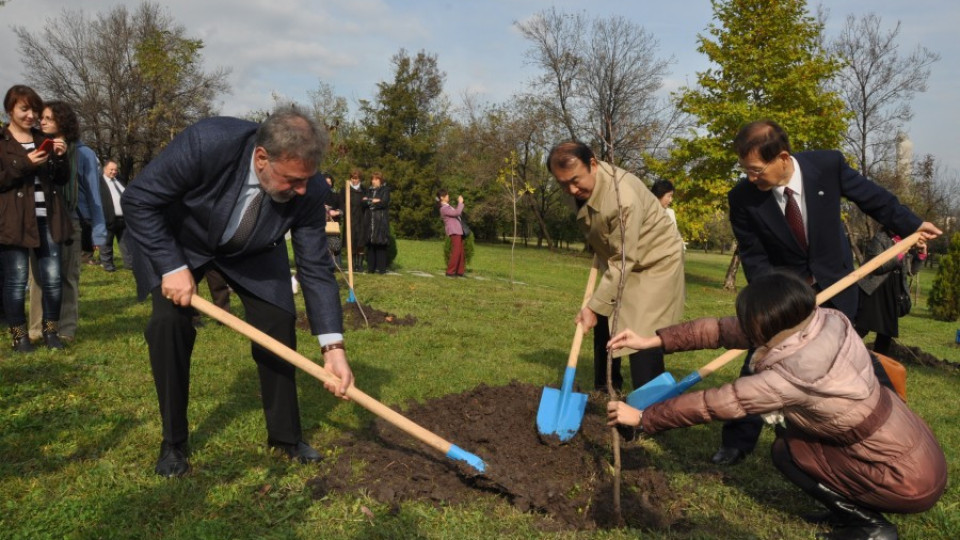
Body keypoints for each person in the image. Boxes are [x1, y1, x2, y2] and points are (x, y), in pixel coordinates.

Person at [606, 271, 947, 540]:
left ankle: (872, 527)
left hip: (906, 479)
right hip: (918, 449)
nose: (742, 327)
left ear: (766, 325)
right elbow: (722, 330)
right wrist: (653, 340)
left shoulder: (791, 377)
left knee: (788, 452)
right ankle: (847, 508)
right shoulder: (826, 320)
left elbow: (716, 403)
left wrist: (644, 417)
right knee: (792, 427)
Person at [120, 105, 354, 478]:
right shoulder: (209, 142)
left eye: (306, 180)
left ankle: (285, 438)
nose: (302, 190)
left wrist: (333, 348)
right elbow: (138, 198)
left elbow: (315, 269)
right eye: (292, 180)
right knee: (169, 323)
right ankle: (174, 442)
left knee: (278, 319)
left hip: (254, 251)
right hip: (181, 241)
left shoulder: (308, 188)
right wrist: (171, 265)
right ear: (262, 157)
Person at [716, 119, 942, 466]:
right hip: (787, 292)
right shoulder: (743, 198)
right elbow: (753, 255)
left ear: (783, 158)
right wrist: (771, 299)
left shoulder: (827, 166)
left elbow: (875, 200)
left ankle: (897, 421)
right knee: (759, 361)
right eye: (745, 170)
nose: (750, 178)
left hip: (837, 286)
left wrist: (911, 225)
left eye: (756, 170)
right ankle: (736, 442)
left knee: (850, 358)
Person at [547, 141, 684, 393]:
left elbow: (624, 260)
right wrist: (596, 306)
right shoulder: (581, 189)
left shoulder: (623, 199)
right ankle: (606, 388)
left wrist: (593, 306)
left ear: (593, 164)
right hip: (624, 256)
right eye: (563, 183)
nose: (571, 189)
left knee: (641, 332)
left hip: (655, 262)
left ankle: (649, 409)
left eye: (576, 180)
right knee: (603, 317)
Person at [27, 100, 107, 344]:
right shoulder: (35, 149)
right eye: (43, 118)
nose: (43, 121)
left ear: (63, 121)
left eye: (49, 118)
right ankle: (36, 329)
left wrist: (99, 232)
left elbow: (94, 194)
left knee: (68, 276)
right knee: (37, 277)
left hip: (70, 221)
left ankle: (67, 329)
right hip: (40, 219)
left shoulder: (83, 153)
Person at [0, 85, 73, 352]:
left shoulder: (44, 137)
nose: (31, 115)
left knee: (52, 278)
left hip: (48, 217)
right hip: (14, 221)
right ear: (10, 110)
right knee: (16, 280)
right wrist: (26, 163)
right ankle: (20, 337)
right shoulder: (3, 141)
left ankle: (51, 332)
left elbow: (61, 179)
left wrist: (61, 158)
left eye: (35, 110)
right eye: (24, 109)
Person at [855, 228, 926, 356]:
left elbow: (911, 271)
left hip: (893, 292)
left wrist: (921, 255)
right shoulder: (880, 238)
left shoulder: (907, 241)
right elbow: (878, 267)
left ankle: (879, 367)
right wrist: (900, 252)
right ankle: (843, 356)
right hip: (874, 291)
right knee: (861, 328)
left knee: (885, 334)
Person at [98, 160, 133, 272]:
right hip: (107, 217)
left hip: (123, 218)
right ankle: (108, 266)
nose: (114, 172)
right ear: (104, 170)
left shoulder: (120, 180)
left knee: (126, 243)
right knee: (107, 243)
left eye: (115, 170)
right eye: (111, 170)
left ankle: (130, 264)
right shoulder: (99, 182)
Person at [364, 171, 391, 274]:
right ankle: (371, 268)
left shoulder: (385, 190)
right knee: (371, 245)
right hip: (370, 221)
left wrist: (371, 201)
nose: (374, 181)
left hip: (380, 221)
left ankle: (381, 269)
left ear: (380, 180)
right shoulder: (369, 190)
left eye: (376, 179)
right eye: (372, 179)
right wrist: (373, 200)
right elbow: (364, 202)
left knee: (380, 245)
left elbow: (383, 202)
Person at [437, 189, 466, 277]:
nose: (448, 196)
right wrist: (460, 203)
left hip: (458, 230)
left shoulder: (448, 207)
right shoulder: (444, 208)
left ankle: (459, 271)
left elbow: (457, 213)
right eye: (447, 195)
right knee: (456, 251)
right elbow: (457, 212)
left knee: (461, 251)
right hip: (454, 231)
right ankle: (450, 271)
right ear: (442, 197)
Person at [342, 170, 366, 272]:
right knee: (350, 241)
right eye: (352, 178)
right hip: (350, 219)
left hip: (361, 218)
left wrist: (365, 201)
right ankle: (351, 264)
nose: (354, 180)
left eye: (356, 178)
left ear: (359, 179)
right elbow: (341, 202)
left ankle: (359, 265)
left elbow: (366, 204)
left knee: (360, 242)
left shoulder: (364, 189)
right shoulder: (345, 189)